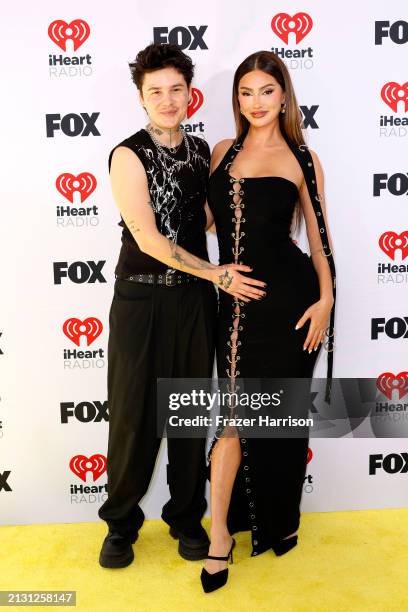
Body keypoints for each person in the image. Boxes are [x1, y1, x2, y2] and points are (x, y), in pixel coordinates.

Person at [97, 43, 266, 569]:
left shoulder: (201, 151)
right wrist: (216, 273)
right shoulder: (127, 154)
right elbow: (147, 237)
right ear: (141, 97)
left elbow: (208, 219)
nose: (167, 100)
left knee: (190, 413)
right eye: (156, 92)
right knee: (132, 415)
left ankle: (186, 516)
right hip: (142, 297)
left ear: (190, 93)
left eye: (176, 89)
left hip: (193, 300)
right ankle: (121, 524)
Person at [200, 50, 336, 592]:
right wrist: (213, 272)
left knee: (280, 418)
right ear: (237, 99)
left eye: (266, 91)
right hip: (236, 302)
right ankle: (220, 539)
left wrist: (325, 300)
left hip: (293, 299)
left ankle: (277, 521)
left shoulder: (303, 157)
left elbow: (320, 241)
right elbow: (203, 222)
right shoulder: (219, 151)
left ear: (284, 95)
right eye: (245, 92)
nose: (255, 102)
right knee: (235, 417)